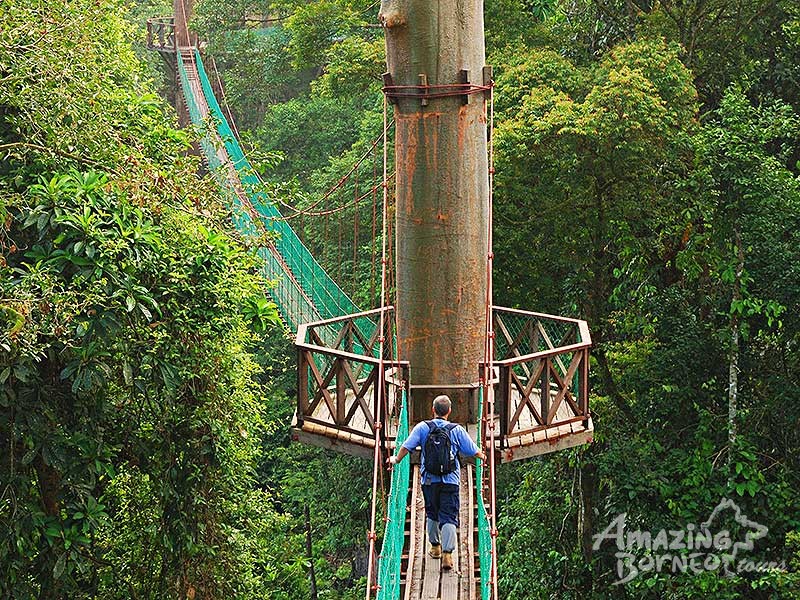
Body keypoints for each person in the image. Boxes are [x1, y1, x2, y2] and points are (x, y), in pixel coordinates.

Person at [388, 394, 486, 570]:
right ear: (449, 411)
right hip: (451, 481)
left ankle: (435, 547)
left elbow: (406, 446)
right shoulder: (456, 430)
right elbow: (473, 451)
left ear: (433, 410)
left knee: (432, 512)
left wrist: (396, 459)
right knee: (448, 515)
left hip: (429, 480)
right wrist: (484, 456)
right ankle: (448, 555)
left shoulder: (422, 427)